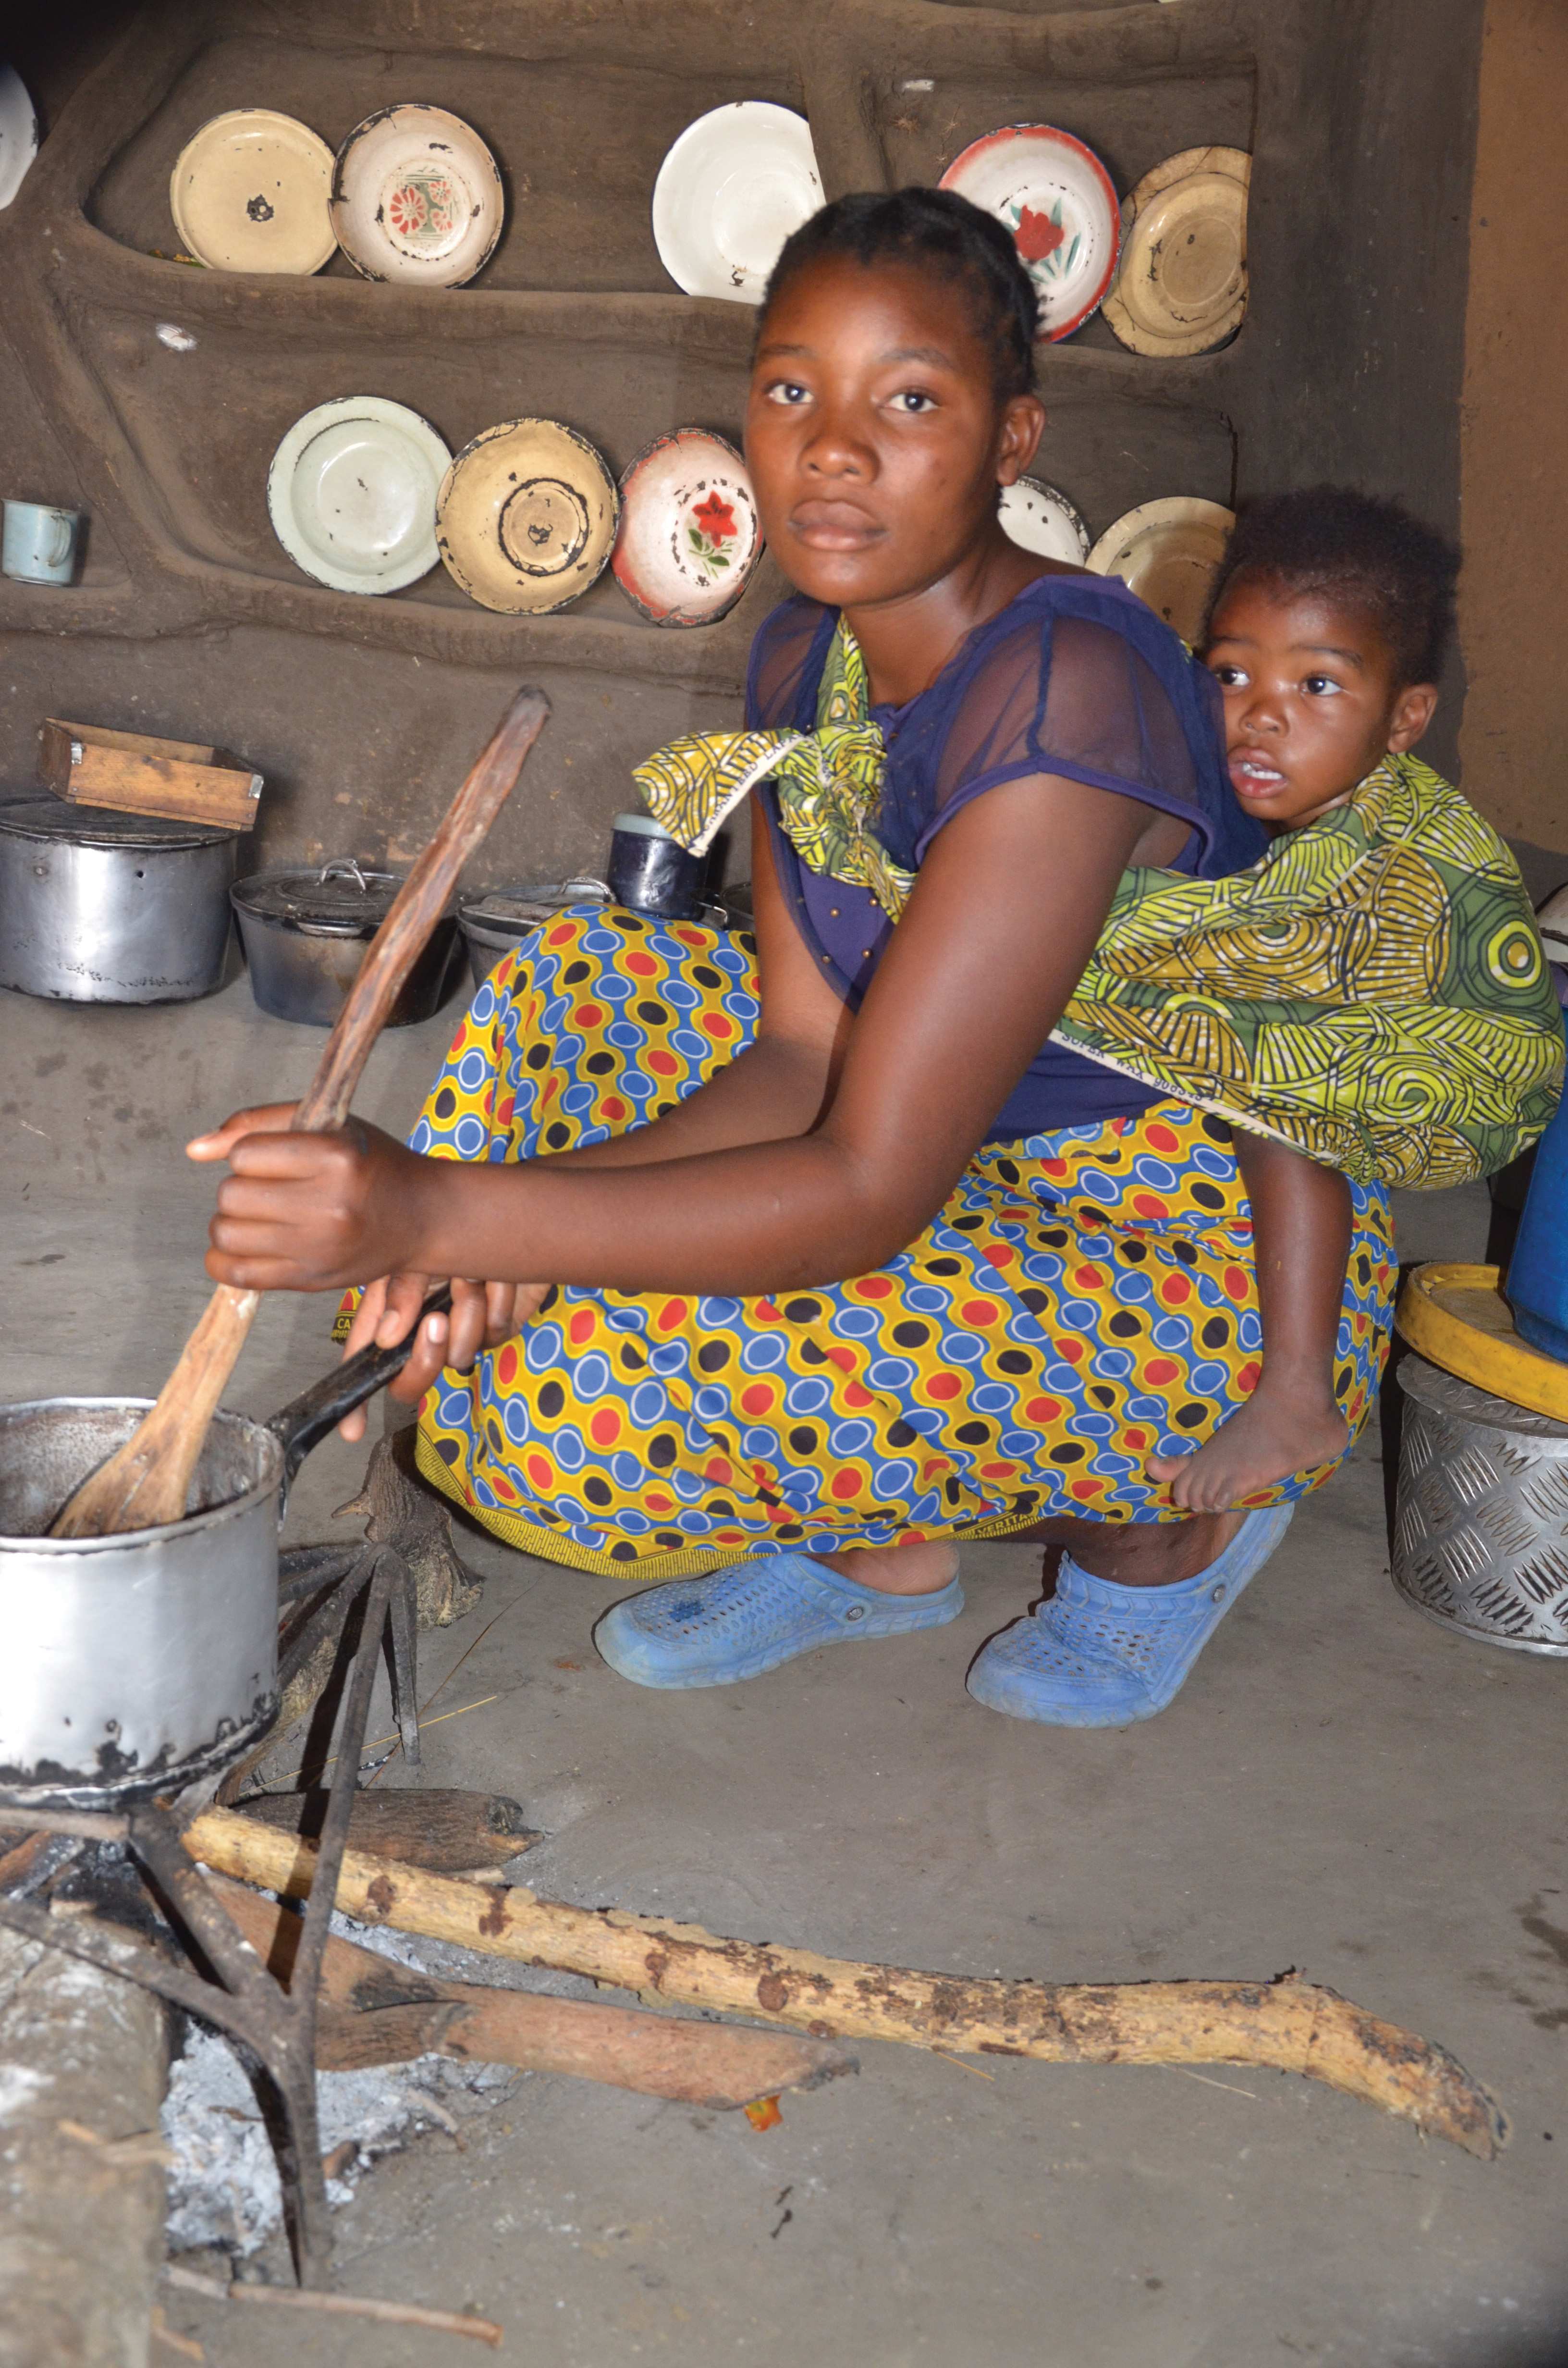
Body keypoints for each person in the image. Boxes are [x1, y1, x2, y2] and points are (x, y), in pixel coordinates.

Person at [188, 191, 1414, 1729]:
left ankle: (1163, 1533)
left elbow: (870, 1185)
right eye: (790, 391)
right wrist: (511, 1236)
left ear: (1013, 441)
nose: (833, 449)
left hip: (1181, 1231)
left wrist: (440, 1207)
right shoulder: (803, 651)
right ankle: (880, 1537)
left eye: (910, 401)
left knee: (576, 1409)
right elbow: (802, 1052)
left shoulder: (1072, 695)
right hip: (944, 1129)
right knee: (575, 980)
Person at [1127, 490, 1551, 1511]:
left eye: (1317, 684)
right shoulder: (1278, 806)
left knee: (1275, 1104)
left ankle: (1296, 1397)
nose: (1262, 712)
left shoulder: (1385, 844)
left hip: (1454, 1074)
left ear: (1405, 719)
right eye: (1232, 673)